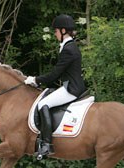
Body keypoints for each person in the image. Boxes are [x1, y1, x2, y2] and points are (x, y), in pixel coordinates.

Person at [25, 14, 87, 157]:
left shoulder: (69, 49)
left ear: (63, 31)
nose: (55, 34)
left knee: (43, 105)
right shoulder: (69, 46)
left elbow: (55, 74)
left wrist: (35, 80)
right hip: (69, 85)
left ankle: (46, 145)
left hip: (72, 88)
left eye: (56, 31)